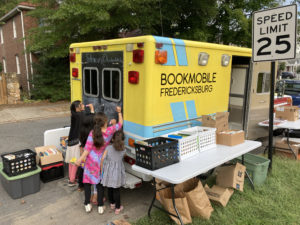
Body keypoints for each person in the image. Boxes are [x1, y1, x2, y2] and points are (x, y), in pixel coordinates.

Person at [76, 107, 123, 214]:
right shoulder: (110, 130)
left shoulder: (93, 133)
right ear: (105, 121)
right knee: (99, 184)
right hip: (101, 161)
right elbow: (120, 124)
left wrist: (79, 160)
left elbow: (87, 150)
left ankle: (87, 204)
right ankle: (100, 206)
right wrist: (119, 112)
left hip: (90, 161)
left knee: (87, 183)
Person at [65, 100, 94, 186]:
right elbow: (90, 120)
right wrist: (92, 110)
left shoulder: (74, 114)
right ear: (78, 108)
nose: (83, 105)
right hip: (76, 141)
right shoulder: (80, 115)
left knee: (71, 160)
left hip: (71, 140)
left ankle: (71, 177)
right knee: (75, 161)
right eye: (81, 105)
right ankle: (72, 180)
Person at [101, 130, 126, 215]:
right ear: (123, 140)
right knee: (116, 190)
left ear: (112, 139)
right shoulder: (123, 150)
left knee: (109, 188)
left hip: (108, 171)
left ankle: (112, 204)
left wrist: (102, 169)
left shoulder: (108, 148)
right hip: (117, 173)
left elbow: (103, 158)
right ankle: (118, 208)